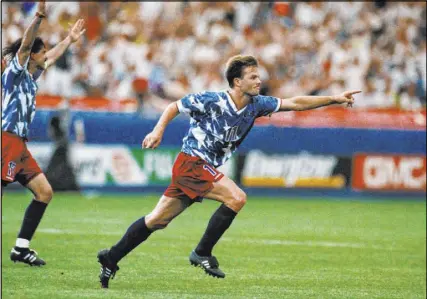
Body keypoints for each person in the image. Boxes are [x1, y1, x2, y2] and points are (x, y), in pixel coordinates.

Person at [97, 55, 361, 288]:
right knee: (236, 197)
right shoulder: (213, 100)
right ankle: (202, 252)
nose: (259, 80)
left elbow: (295, 103)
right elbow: (175, 106)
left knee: (157, 220)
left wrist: (333, 99)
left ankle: (111, 257)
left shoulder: (257, 104)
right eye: (253, 76)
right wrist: (158, 130)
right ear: (237, 82)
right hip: (192, 162)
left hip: (200, 167)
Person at [1, 0, 86, 266]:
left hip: (19, 144)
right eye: (42, 52)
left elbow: (52, 56)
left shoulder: (31, 77)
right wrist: (38, 16)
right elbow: (26, 45)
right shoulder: (15, 73)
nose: (46, 55)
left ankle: (21, 249)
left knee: (45, 192)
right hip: (6, 140)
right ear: (31, 55)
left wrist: (69, 40)